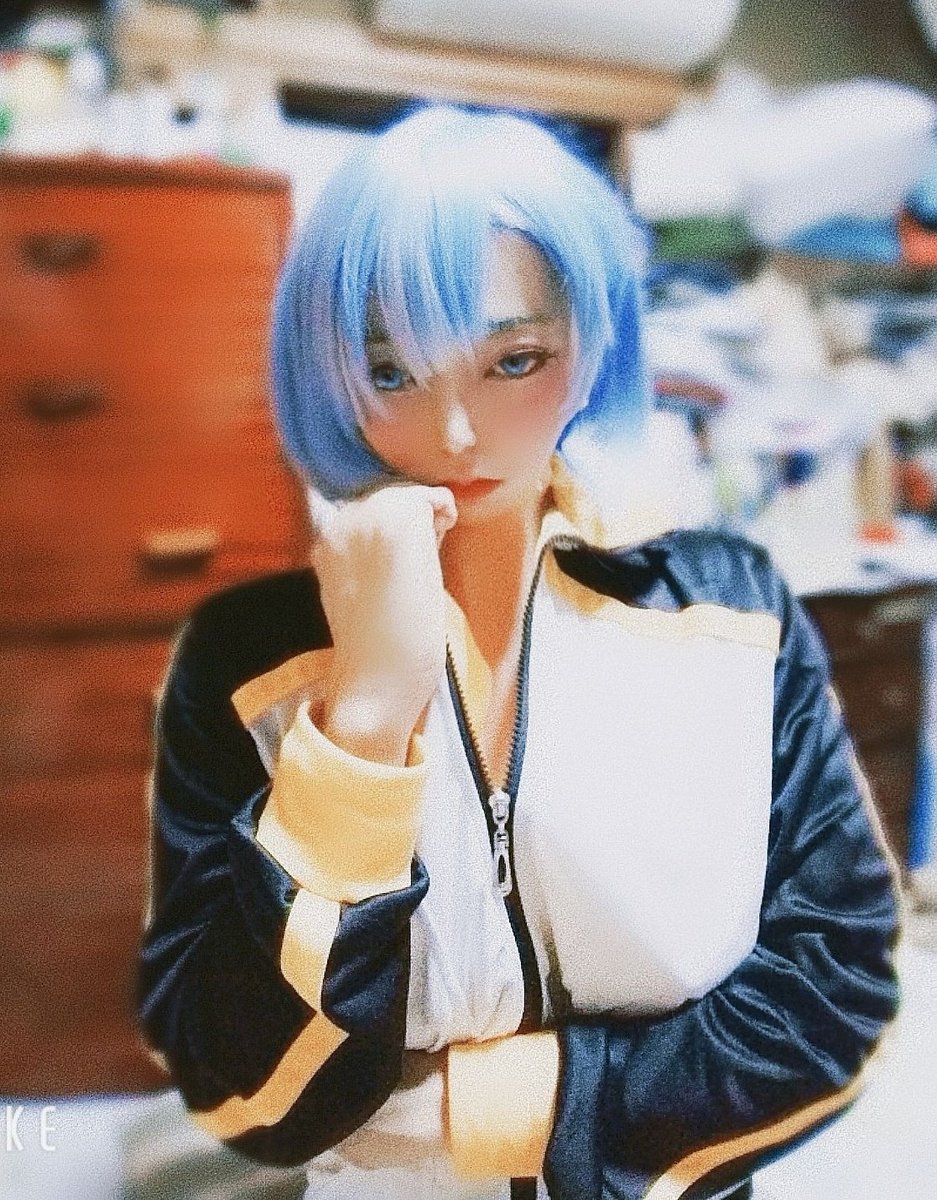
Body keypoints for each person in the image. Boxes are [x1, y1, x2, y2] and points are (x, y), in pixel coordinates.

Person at [137, 105, 902, 1200]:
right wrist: (363, 728)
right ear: (327, 372)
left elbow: (833, 995)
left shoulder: (732, 612)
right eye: (391, 371)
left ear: (593, 344)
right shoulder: (245, 659)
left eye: (514, 359)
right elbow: (242, 1087)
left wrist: (470, 1110)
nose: (454, 433)